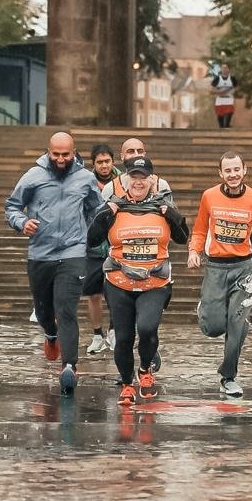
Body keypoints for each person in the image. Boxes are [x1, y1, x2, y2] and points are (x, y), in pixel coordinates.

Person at [5, 131, 102, 395]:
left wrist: (93, 234)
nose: (61, 159)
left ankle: (69, 366)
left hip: (73, 252)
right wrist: (22, 222)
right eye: (56, 154)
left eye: (66, 154)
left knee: (66, 310)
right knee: (45, 311)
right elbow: (12, 206)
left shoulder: (85, 178)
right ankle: (50, 334)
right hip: (40, 254)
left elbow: (97, 209)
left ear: (74, 152)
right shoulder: (32, 176)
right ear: (48, 151)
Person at [87, 156, 189, 405]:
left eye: (144, 177)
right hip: (118, 281)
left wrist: (172, 214)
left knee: (146, 328)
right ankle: (126, 383)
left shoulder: (163, 206)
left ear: (153, 180)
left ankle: (145, 370)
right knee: (122, 337)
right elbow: (92, 239)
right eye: (134, 176)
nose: (139, 181)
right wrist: (104, 216)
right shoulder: (113, 206)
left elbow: (183, 237)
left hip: (155, 282)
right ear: (126, 179)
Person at [187, 150, 252, 397]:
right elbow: (200, 229)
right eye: (228, 170)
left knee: (236, 325)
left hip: (244, 269)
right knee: (212, 328)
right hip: (215, 268)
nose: (233, 175)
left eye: (237, 170)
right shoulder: (209, 196)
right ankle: (208, 309)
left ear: (245, 170)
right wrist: (194, 251)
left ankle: (228, 377)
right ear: (220, 173)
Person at [101, 136, 171, 372]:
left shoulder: (161, 185)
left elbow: (173, 228)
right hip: (119, 268)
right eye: (130, 151)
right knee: (124, 332)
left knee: (146, 326)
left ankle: (148, 349)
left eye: (140, 150)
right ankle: (127, 377)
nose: (135, 154)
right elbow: (101, 227)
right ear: (122, 157)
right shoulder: (112, 188)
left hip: (153, 270)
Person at [84, 144, 122, 355]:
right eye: (100, 162)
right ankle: (98, 334)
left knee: (117, 292)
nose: (104, 165)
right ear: (94, 164)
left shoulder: (122, 182)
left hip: (117, 245)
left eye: (107, 161)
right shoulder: (86, 183)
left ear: (113, 161)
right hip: (93, 247)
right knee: (93, 293)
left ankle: (114, 331)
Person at [210, 63, 237, 128]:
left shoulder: (232, 79)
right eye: (222, 68)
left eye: (226, 68)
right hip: (219, 102)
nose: (224, 69)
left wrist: (231, 91)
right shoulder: (217, 79)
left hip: (229, 101)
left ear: (229, 69)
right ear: (221, 69)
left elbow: (236, 88)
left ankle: (227, 126)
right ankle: (225, 131)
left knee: (227, 121)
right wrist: (221, 92)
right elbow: (211, 90)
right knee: (221, 125)